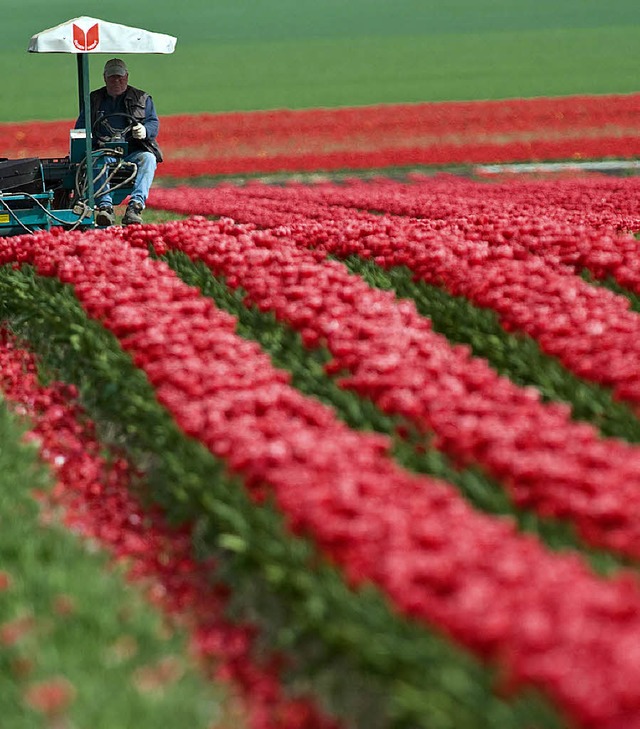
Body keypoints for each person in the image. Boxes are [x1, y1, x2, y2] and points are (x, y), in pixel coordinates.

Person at [75, 58, 163, 226]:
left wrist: (145, 131)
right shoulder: (94, 100)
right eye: (112, 77)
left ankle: (135, 206)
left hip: (133, 151)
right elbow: (81, 127)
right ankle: (105, 207)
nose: (116, 81)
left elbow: (153, 122)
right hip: (105, 151)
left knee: (149, 159)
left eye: (120, 77)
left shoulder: (142, 99)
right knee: (96, 160)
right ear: (104, 78)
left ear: (127, 77)